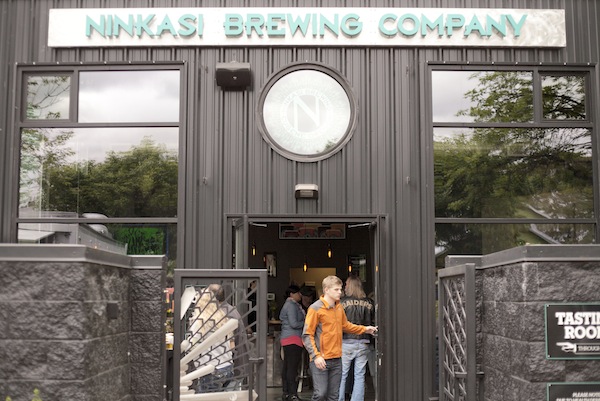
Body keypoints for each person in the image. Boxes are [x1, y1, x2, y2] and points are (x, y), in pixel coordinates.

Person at [302, 276, 377, 401]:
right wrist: (316, 356)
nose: (340, 292)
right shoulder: (315, 308)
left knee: (334, 396)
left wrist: (365, 329)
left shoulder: (339, 307)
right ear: (326, 290)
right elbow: (307, 334)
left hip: (337, 358)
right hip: (321, 358)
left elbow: (346, 326)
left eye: (340, 289)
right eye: (336, 289)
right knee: (321, 393)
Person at [187, 288, 235, 393]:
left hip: (210, 370)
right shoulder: (222, 317)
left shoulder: (200, 321)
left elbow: (191, 345)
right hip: (227, 367)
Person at [337, 275, 375, 401]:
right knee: (360, 375)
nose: (345, 287)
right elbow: (373, 320)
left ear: (351, 286)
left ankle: (339, 399)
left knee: (342, 374)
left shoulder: (342, 302)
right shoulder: (369, 302)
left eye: (346, 284)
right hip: (364, 341)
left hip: (346, 341)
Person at [208, 283, 250, 385]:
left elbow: (231, 343)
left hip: (227, 366)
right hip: (234, 365)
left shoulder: (223, 314)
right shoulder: (230, 310)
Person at [279, 285, 307, 401]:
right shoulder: (291, 305)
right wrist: (306, 323)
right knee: (292, 367)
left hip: (288, 338)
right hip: (293, 339)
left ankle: (286, 392)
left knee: (287, 366)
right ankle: (292, 393)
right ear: (292, 294)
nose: (300, 295)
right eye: (298, 293)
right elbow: (294, 323)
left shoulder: (290, 305)